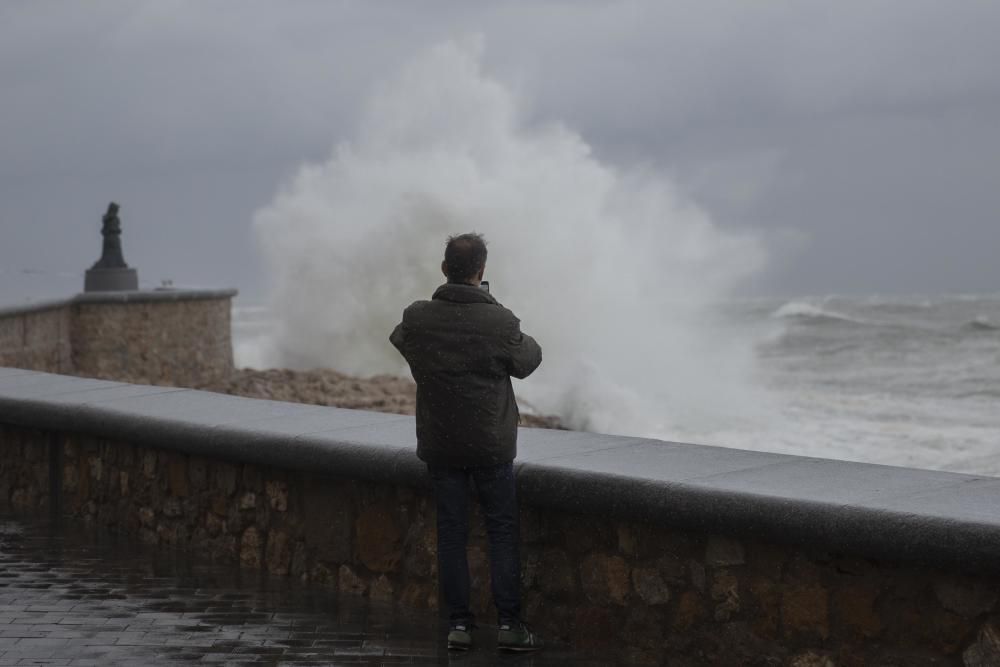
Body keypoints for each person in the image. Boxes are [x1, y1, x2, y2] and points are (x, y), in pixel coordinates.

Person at [390, 233, 543, 653]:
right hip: (491, 446)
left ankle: (459, 624)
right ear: (482, 270)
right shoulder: (499, 321)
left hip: (441, 443)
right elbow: (528, 360)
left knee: (452, 534)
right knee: (501, 532)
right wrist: (491, 306)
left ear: (444, 269)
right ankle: (510, 625)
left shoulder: (418, 317)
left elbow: (404, 341)